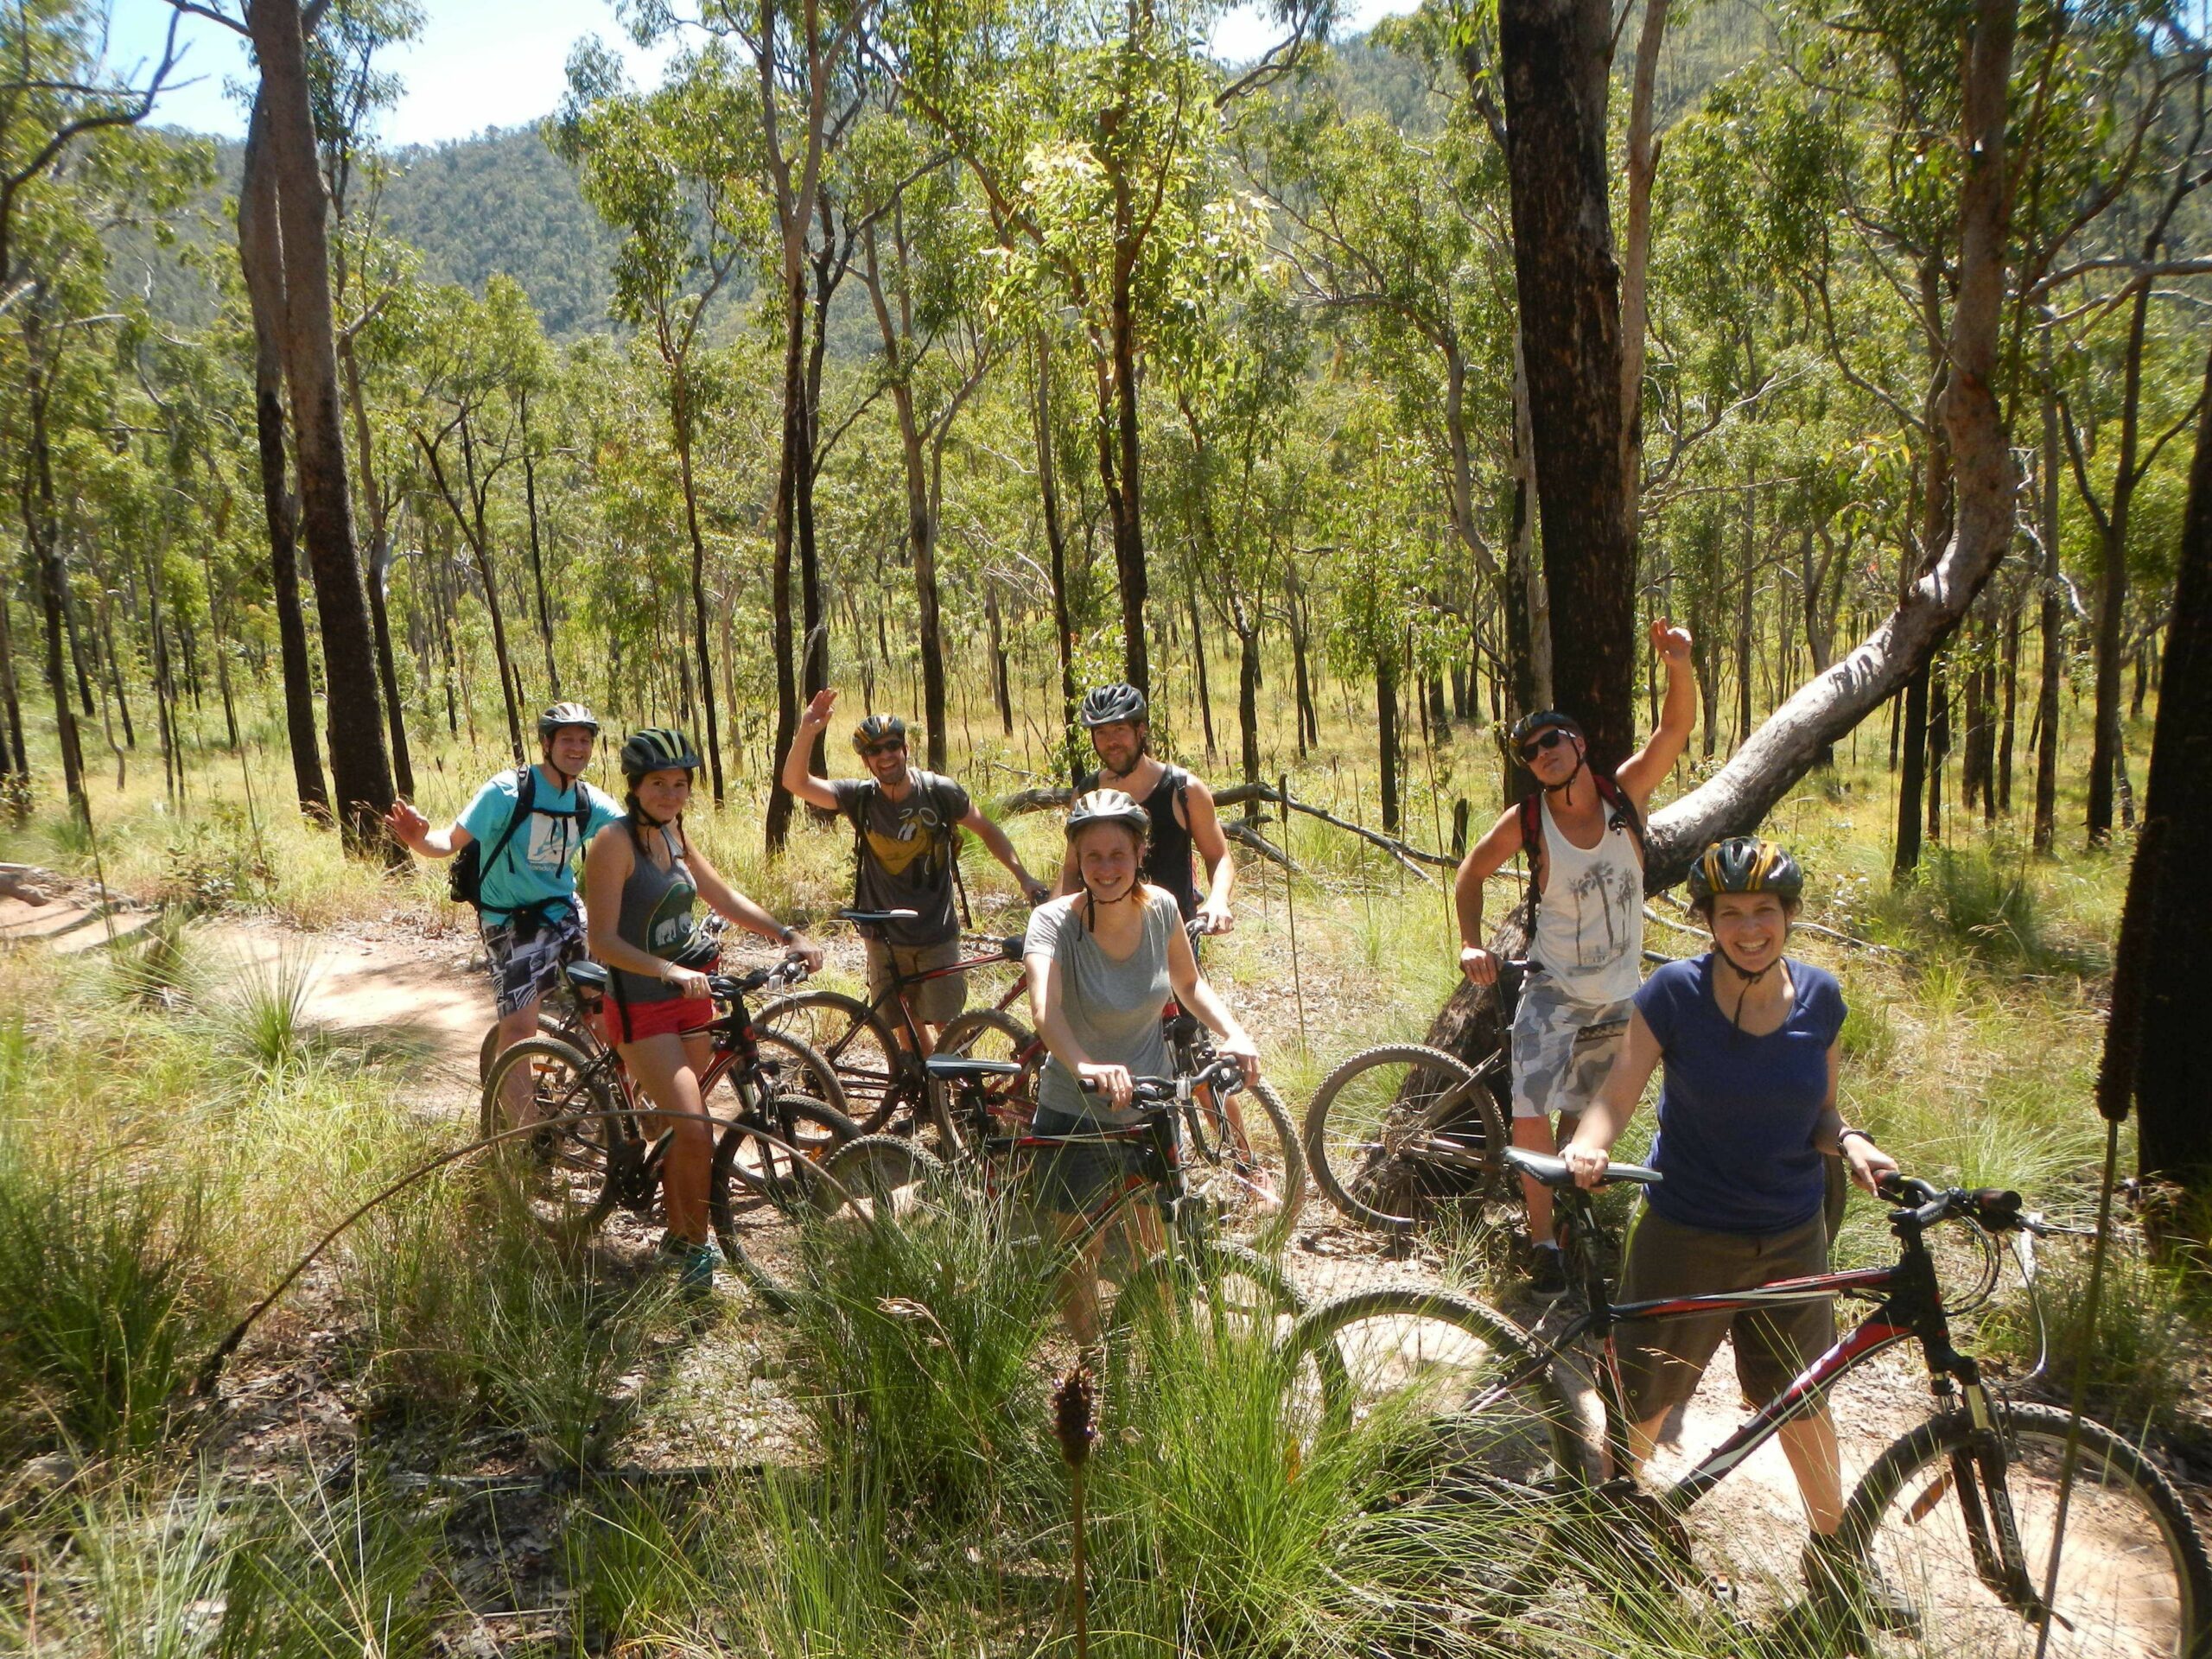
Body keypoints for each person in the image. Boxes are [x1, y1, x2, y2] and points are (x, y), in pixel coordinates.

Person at [1560, 836, 1911, 1627]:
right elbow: (1619, 1089)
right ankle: (1617, 1531)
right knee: (1647, 1392)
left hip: (1791, 1234)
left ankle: (1837, 1559)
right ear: (1709, 922)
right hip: (1687, 1226)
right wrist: (1592, 1142)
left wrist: (1851, 1143)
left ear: (1788, 916)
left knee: (1802, 1398)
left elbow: (1821, 1113)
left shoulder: (1821, 997)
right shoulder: (1673, 994)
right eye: (1731, 914)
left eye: (1764, 912)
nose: (1750, 928)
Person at [1453, 620, 1696, 1297]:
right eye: (1530, 751)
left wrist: (1679, 665)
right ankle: (1541, 1243)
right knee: (1530, 1108)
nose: (1542, 754)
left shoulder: (1623, 794)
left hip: (1620, 993)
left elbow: (1672, 734)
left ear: (1579, 745)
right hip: (1554, 988)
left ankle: (1568, 1224)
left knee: (1583, 1118)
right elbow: (1471, 871)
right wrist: (1470, 940)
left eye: (1551, 741)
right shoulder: (1529, 820)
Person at [582, 728, 823, 1294]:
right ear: (635, 787)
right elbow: (601, 940)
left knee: (675, 1127)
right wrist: (670, 972)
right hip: (642, 1006)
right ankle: (688, 1249)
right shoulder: (613, 844)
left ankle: (677, 1225)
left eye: (680, 784)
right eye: (658, 783)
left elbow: (721, 897)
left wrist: (787, 933)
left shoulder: (674, 833)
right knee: (695, 1129)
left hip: (693, 997)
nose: (671, 793)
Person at [1025, 790, 1262, 1348]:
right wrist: (1088, 1065)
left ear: (1139, 854)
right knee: (1078, 1251)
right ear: (1077, 862)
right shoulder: (1052, 922)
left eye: (1118, 855)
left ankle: (1166, 1356)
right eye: (1093, 857)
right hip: (1076, 1107)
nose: (1106, 869)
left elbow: (1189, 983)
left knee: (1156, 1243)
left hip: (1151, 1103)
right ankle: (1093, 1361)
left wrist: (1235, 1032)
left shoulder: (1159, 908)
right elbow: (1045, 1010)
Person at [385, 702, 624, 1124]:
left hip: (565, 911)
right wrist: (417, 839)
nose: (577, 748)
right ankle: (523, 1137)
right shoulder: (505, 792)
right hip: (511, 921)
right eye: (567, 739)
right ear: (546, 744)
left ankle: (617, 1113)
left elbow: (634, 838)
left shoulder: (588, 800)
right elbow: (447, 843)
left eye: (585, 740)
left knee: (605, 1012)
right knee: (519, 1028)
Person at [781, 689, 1052, 1044]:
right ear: (866, 761)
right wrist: (807, 730)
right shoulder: (859, 797)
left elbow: (987, 829)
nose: (885, 756)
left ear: (905, 749)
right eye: (874, 751)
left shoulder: (939, 792)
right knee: (904, 1026)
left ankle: (954, 1094)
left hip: (934, 932)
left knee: (948, 1028)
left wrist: (1024, 877)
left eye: (892, 746)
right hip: (882, 936)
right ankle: (924, 1093)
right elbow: (795, 783)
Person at [1058, 681, 1235, 933]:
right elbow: (1072, 870)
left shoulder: (1184, 790)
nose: (1111, 742)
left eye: (1119, 729)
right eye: (1101, 733)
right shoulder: (1086, 794)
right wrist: (1051, 926)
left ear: (1140, 730)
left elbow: (1219, 857)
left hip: (1175, 939)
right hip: (1105, 940)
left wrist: (1218, 900)